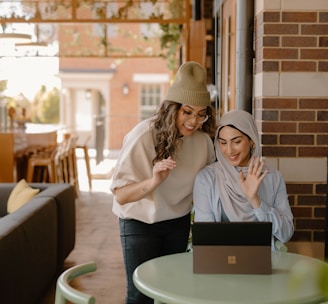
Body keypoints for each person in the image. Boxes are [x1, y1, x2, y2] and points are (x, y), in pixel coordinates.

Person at [110, 61, 217, 304]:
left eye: (201, 114)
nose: (194, 121)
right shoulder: (143, 136)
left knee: (171, 292)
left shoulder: (202, 142)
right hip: (139, 221)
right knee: (140, 296)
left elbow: (209, 185)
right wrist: (154, 180)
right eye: (187, 112)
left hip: (176, 222)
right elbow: (121, 196)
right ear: (172, 108)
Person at [193, 109, 294, 249]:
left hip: (261, 260)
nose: (229, 150)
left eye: (236, 141)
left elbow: (286, 233)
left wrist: (255, 200)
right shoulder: (206, 179)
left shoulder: (273, 177)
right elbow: (205, 238)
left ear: (251, 140)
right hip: (218, 260)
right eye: (223, 143)